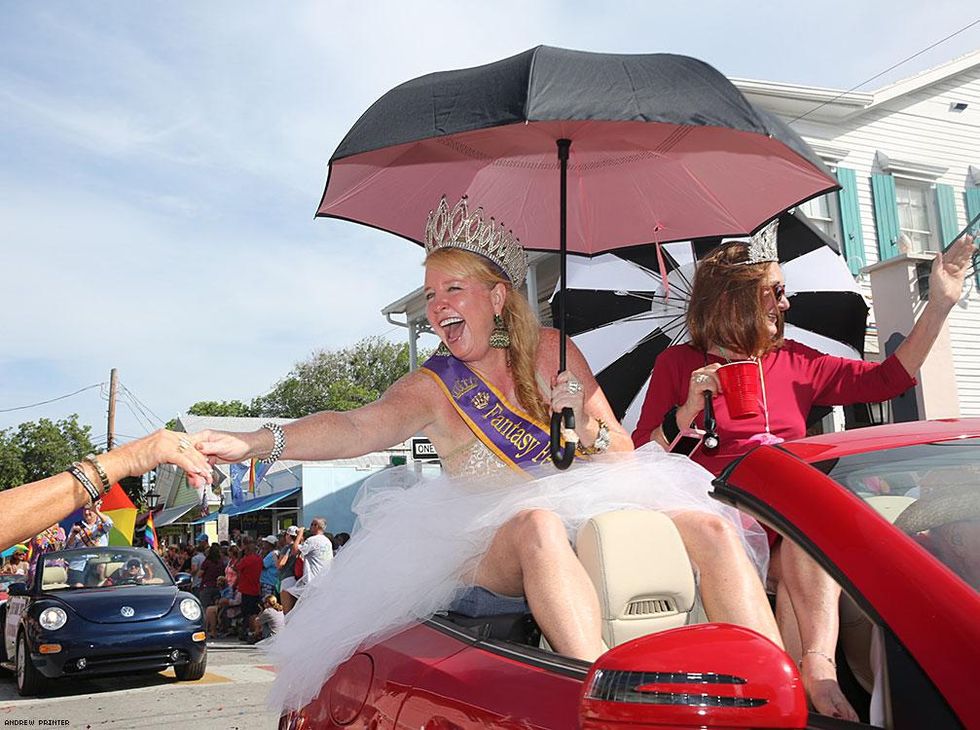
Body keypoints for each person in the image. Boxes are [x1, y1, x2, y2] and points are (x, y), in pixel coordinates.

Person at [192, 195, 780, 713]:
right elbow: (355, 428)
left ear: (498, 298)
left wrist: (573, 420)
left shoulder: (553, 350)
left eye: (452, 289)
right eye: (429, 295)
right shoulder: (433, 384)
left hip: (594, 502)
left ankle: (774, 689)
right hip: (483, 539)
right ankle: (606, 695)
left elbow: (620, 452)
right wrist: (255, 440)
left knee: (709, 526)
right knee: (537, 525)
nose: (436, 306)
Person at [631, 226, 977, 720]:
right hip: (721, 516)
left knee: (809, 531)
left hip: (787, 514)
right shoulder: (679, 364)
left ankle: (813, 678)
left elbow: (889, 379)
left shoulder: (796, 362)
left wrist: (939, 303)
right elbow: (642, 453)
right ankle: (811, 685)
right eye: (774, 292)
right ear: (735, 301)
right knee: (807, 532)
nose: (785, 304)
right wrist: (685, 410)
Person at [0, 429, 213, 553]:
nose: (87, 512)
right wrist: (124, 459)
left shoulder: (100, 525)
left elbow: (109, 524)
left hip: (97, 565)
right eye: (86, 511)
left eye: (89, 511)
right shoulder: (75, 528)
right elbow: (65, 549)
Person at [198, 543, 226, 608]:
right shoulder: (221, 562)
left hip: (206, 586)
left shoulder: (207, 562)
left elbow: (200, 574)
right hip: (217, 586)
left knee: (205, 607)